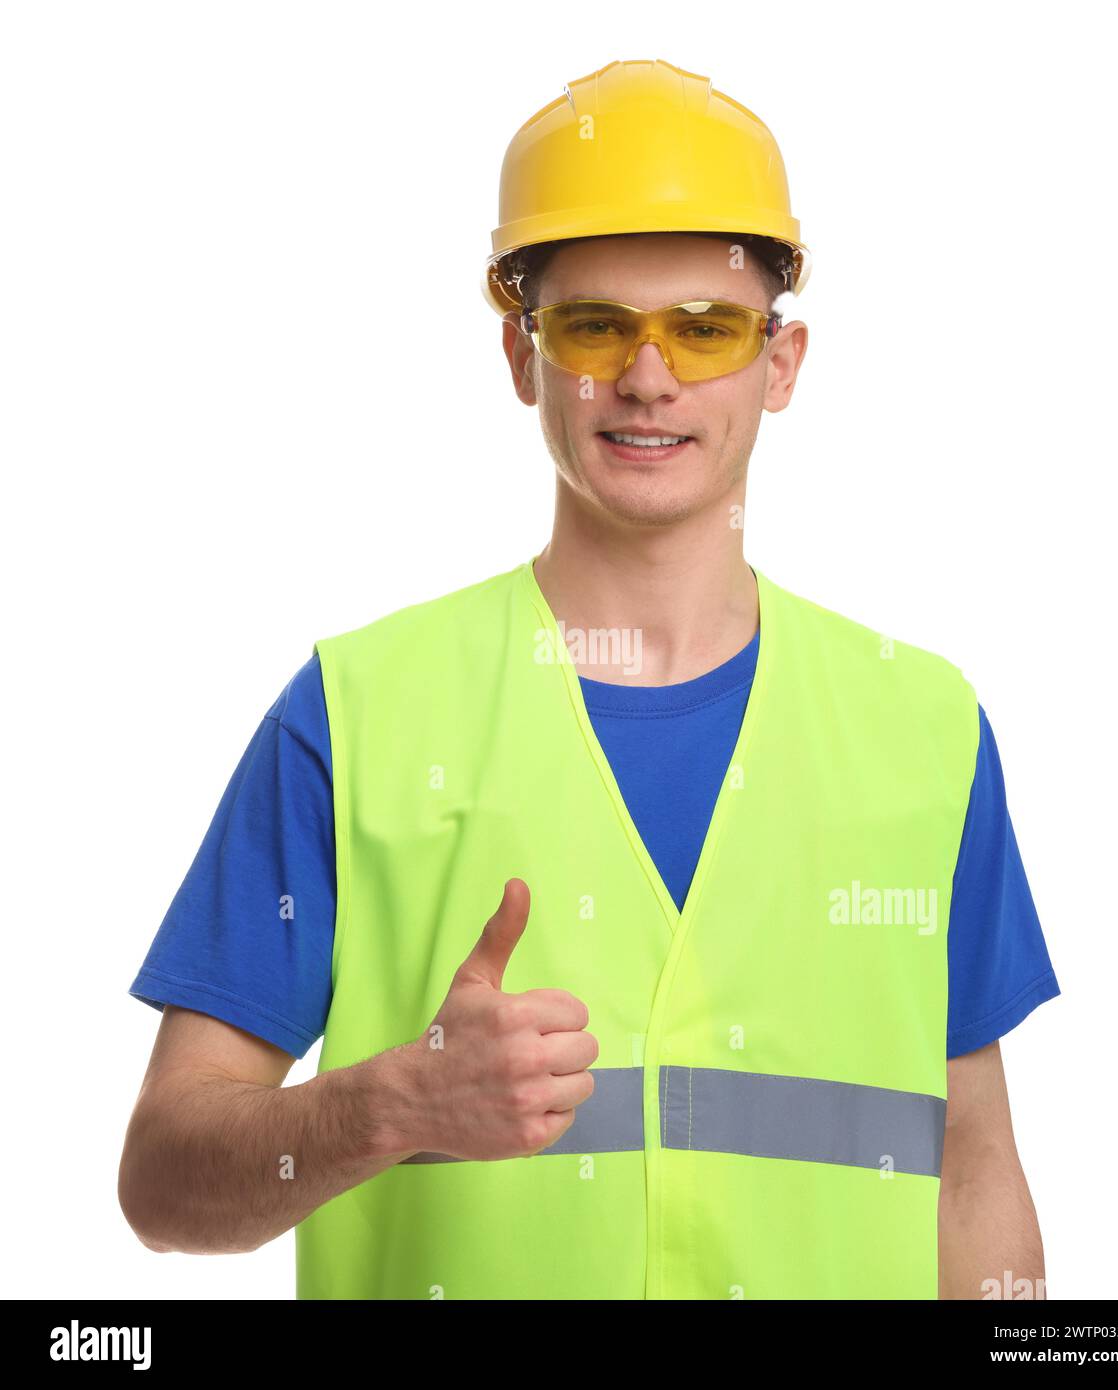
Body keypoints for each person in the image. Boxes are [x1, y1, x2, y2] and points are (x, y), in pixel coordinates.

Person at [118, 58, 1061, 1300]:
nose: (649, 376)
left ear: (779, 366)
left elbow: (973, 1161)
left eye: (706, 326)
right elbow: (163, 1184)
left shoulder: (925, 730)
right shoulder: (355, 717)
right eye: (595, 325)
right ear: (524, 356)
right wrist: (386, 1103)